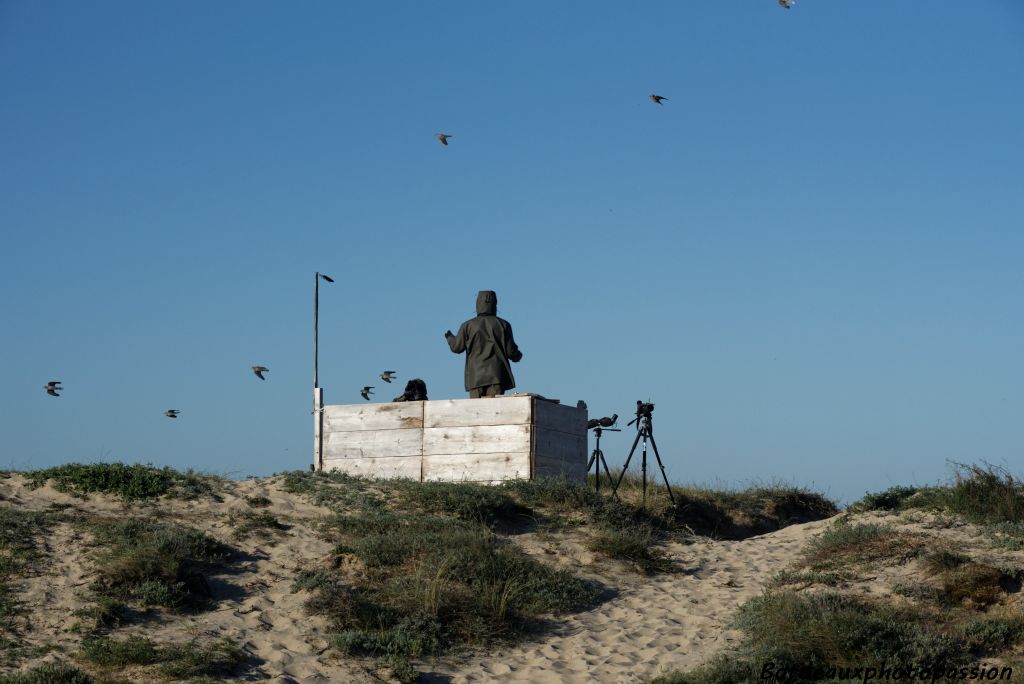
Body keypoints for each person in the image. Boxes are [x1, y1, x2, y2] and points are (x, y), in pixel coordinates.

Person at [445, 290, 523, 398]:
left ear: (477, 304)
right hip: (497, 377)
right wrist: (518, 356)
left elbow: (457, 348)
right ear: (494, 304)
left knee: (476, 411)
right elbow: (511, 352)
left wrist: (450, 338)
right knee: (494, 411)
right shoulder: (504, 325)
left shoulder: (467, 325)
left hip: (475, 378)